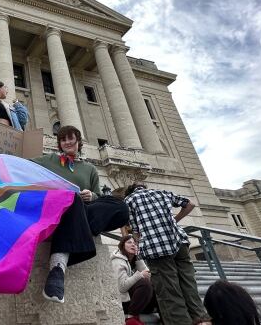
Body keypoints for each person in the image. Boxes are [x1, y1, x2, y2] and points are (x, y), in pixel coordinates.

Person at [30, 125, 129, 303]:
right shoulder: (49, 159)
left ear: (78, 141)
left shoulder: (89, 169)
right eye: (63, 139)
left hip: (84, 210)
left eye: (71, 138)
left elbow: (98, 195)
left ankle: (79, 227)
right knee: (72, 199)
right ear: (59, 143)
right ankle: (57, 269)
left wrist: (92, 195)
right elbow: (24, 165)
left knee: (120, 207)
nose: (67, 142)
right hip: (57, 210)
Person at [124, 183, 210, 325]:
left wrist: (138, 241)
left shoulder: (129, 200)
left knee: (169, 291)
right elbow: (191, 204)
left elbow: (135, 232)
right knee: (189, 285)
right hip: (179, 242)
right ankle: (201, 320)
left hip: (157, 248)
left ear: (130, 191)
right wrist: (174, 221)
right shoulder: (162, 192)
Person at [112, 235, 156, 325]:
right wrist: (139, 275)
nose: (133, 245)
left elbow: (148, 275)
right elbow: (121, 287)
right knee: (144, 283)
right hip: (122, 301)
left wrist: (138, 258)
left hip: (132, 300)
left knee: (154, 283)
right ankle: (131, 318)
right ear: (122, 246)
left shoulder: (133, 259)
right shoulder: (118, 261)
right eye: (129, 242)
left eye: (135, 243)